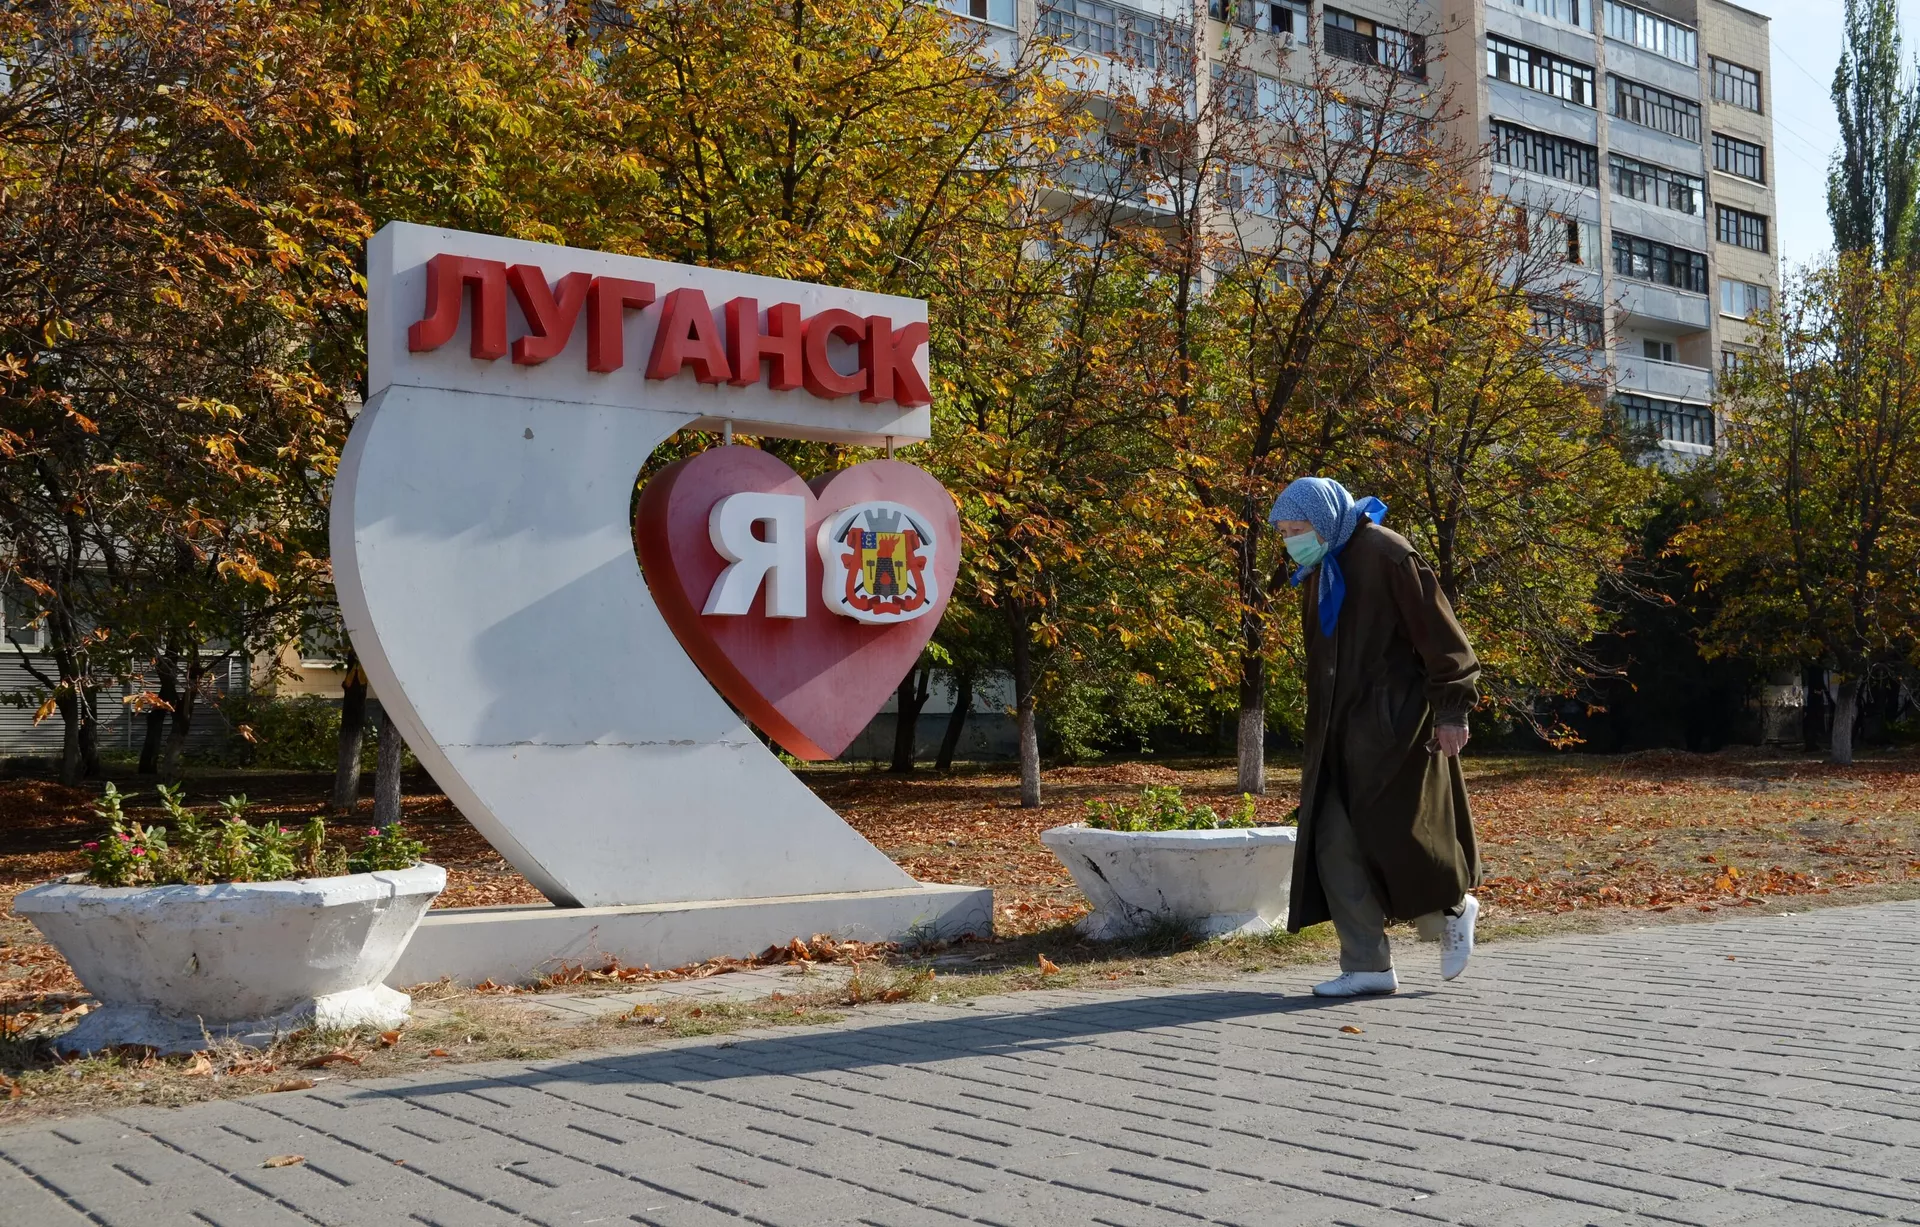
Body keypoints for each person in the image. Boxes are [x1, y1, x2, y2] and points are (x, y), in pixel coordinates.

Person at [1269, 477, 1481, 997]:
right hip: (1337, 735)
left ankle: (1454, 908)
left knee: (1399, 836)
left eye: (1298, 529)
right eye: (1285, 532)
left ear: (1324, 520)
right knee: (1332, 842)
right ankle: (1366, 965)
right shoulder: (1320, 568)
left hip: (1395, 729)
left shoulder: (1389, 555)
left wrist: (1451, 712)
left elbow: (1442, 639)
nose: (1291, 540)